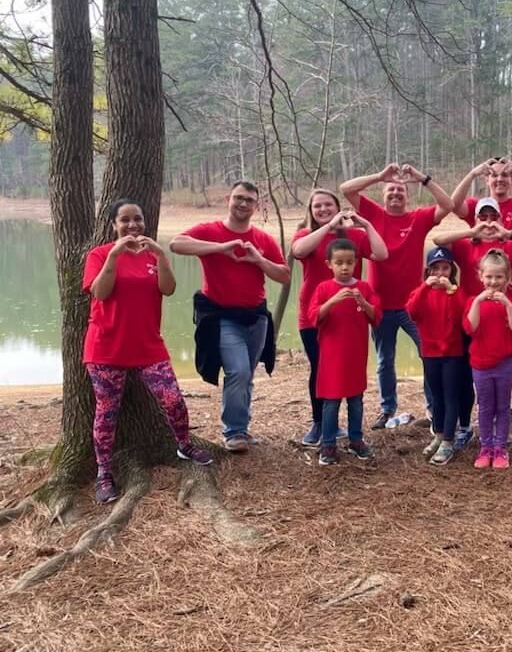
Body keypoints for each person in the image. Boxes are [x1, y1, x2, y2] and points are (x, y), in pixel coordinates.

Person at [83, 199, 213, 505]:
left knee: (173, 399)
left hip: (148, 346)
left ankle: (183, 444)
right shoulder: (99, 254)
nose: (132, 225)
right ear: (114, 224)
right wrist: (114, 256)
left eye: (137, 219)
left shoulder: (152, 256)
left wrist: (161, 256)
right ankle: (104, 472)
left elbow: (168, 289)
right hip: (106, 348)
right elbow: (100, 292)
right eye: (125, 220)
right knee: (107, 413)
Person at [169, 181, 290, 451]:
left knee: (246, 375)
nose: (243, 203)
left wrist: (259, 260)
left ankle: (241, 428)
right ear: (228, 199)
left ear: (256, 206)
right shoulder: (209, 231)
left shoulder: (263, 239)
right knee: (238, 371)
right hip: (222, 317)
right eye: (238, 198)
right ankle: (234, 432)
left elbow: (284, 275)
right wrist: (219, 248)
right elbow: (176, 244)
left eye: (249, 200)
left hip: (256, 318)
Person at [341, 163, 454, 429]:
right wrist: (380, 176)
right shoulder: (373, 214)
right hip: (380, 304)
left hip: (413, 305)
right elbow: (346, 189)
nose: (395, 194)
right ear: (383, 195)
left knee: (428, 354)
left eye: (400, 191)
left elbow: (447, 205)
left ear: (408, 196)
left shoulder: (418, 219)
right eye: (390, 190)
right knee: (384, 360)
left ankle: (433, 407)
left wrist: (421, 177)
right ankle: (387, 409)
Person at [433, 197, 512, 448]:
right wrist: (471, 231)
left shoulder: (508, 245)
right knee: (467, 367)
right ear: (475, 219)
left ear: (500, 219)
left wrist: (509, 233)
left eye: (493, 216)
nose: (488, 222)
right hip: (473, 314)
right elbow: (438, 240)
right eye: (482, 217)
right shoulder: (465, 245)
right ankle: (466, 423)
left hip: (504, 316)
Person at [450, 158, 512, 428]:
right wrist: (472, 172)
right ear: (487, 179)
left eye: (505, 175)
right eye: (494, 175)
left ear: (511, 179)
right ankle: (472, 411)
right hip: (476, 301)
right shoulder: (476, 208)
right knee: (473, 354)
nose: (500, 179)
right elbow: (453, 205)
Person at [291, 188, 388, 447]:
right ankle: (320, 423)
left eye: (329, 205)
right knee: (319, 368)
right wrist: (329, 227)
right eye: (317, 206)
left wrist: (366, 224)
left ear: (337, 207)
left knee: (347, 368)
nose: (323, 209)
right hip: (314, 314)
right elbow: (299, 250)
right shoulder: (305, 234)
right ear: (311, 211)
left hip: (348, 317)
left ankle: (343, 426)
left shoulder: (354, 236)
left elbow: (381, 254)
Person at [309, 238, 382, 465]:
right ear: (329, 264)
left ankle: (356, 441)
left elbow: (376, 316)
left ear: (356, 263)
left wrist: (363, 301)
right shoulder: (323, 288)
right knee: (331, 402)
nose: (344, 267)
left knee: (356, 400)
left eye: (349, 262)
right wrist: (332, 301)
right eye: (339, 262)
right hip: (332, 357)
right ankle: (328, 444)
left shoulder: (364, 288)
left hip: (356, 356)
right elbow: (313, 316)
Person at [463, 249, 512, 469]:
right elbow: (470, 328)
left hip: (505, 364)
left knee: (503, 407)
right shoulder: (472, 302)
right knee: (485, 407)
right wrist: (477, 302)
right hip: (480, 365)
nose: (493, 282)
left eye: (499, 277)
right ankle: (486, 447)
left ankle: (500, 448)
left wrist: (507, 304)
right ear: (480, 276)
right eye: (489, 276)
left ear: (507, 278)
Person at [406, 247, 470, 466]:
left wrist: (451, 291)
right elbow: (412, 312)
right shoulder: (421, 292)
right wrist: (425, 287)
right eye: (436, 269)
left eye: (445, 268)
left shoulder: (457, 292)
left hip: (452, 353)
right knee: (436, 396)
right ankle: (439, 434)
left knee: (451, 396)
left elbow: (462, 316)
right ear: (428, 271)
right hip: (430, 352)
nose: (440, 273)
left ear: (451, 271)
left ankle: (449, 441)